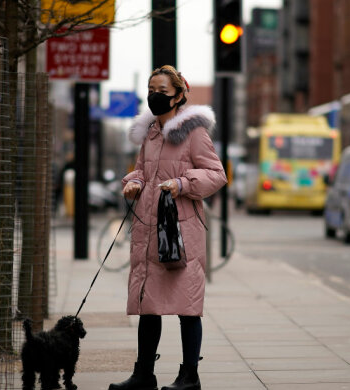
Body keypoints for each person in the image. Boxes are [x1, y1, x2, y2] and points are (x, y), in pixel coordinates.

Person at [108, 65, 227, 390]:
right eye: (151, 89)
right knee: (149, 305)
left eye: (161, 90)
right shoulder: (150, 133)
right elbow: (142, 172)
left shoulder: (194, 132)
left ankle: (190, 376)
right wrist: (132, 183)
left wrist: (182, 183)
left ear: (178, 95)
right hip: (148, 230)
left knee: (187, 307)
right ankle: (143, 374)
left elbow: (217, 174)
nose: (154, 96)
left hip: (181, 233)